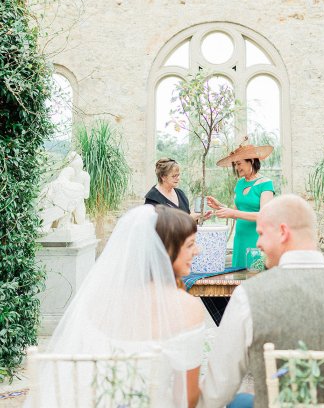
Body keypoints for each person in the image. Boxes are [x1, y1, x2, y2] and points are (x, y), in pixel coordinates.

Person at [198, 194, 324, 408]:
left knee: (239, 401)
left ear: (283, 232)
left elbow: (216, 391)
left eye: (261, 234)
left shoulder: (249, 296)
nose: (258, 243)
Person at [26, 204, 205, 408]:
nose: (197, 251)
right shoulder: (188, 308)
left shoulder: (95, 300)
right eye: (190, 245)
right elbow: (186, 399)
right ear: (166, 249)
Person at [206, 142, 275, 268]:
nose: (237, 168)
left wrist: (232, 213)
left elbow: (264, 216)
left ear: (252, 161)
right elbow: (237, 213)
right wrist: (220, 207)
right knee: (238, 278)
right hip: (240, 238)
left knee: (254, 276)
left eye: (239, 164)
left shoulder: (266, 184)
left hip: (257, 237)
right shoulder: (240, 184)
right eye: (235, 165)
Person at [145, 157, 211, 221]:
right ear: (163, 177)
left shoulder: (180, 194)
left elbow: (187, 218)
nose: (178, 178)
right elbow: (160, 226)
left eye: (178, 175)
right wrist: (189, 218)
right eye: (174, 176)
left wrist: (199, 218)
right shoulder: (152, 199)